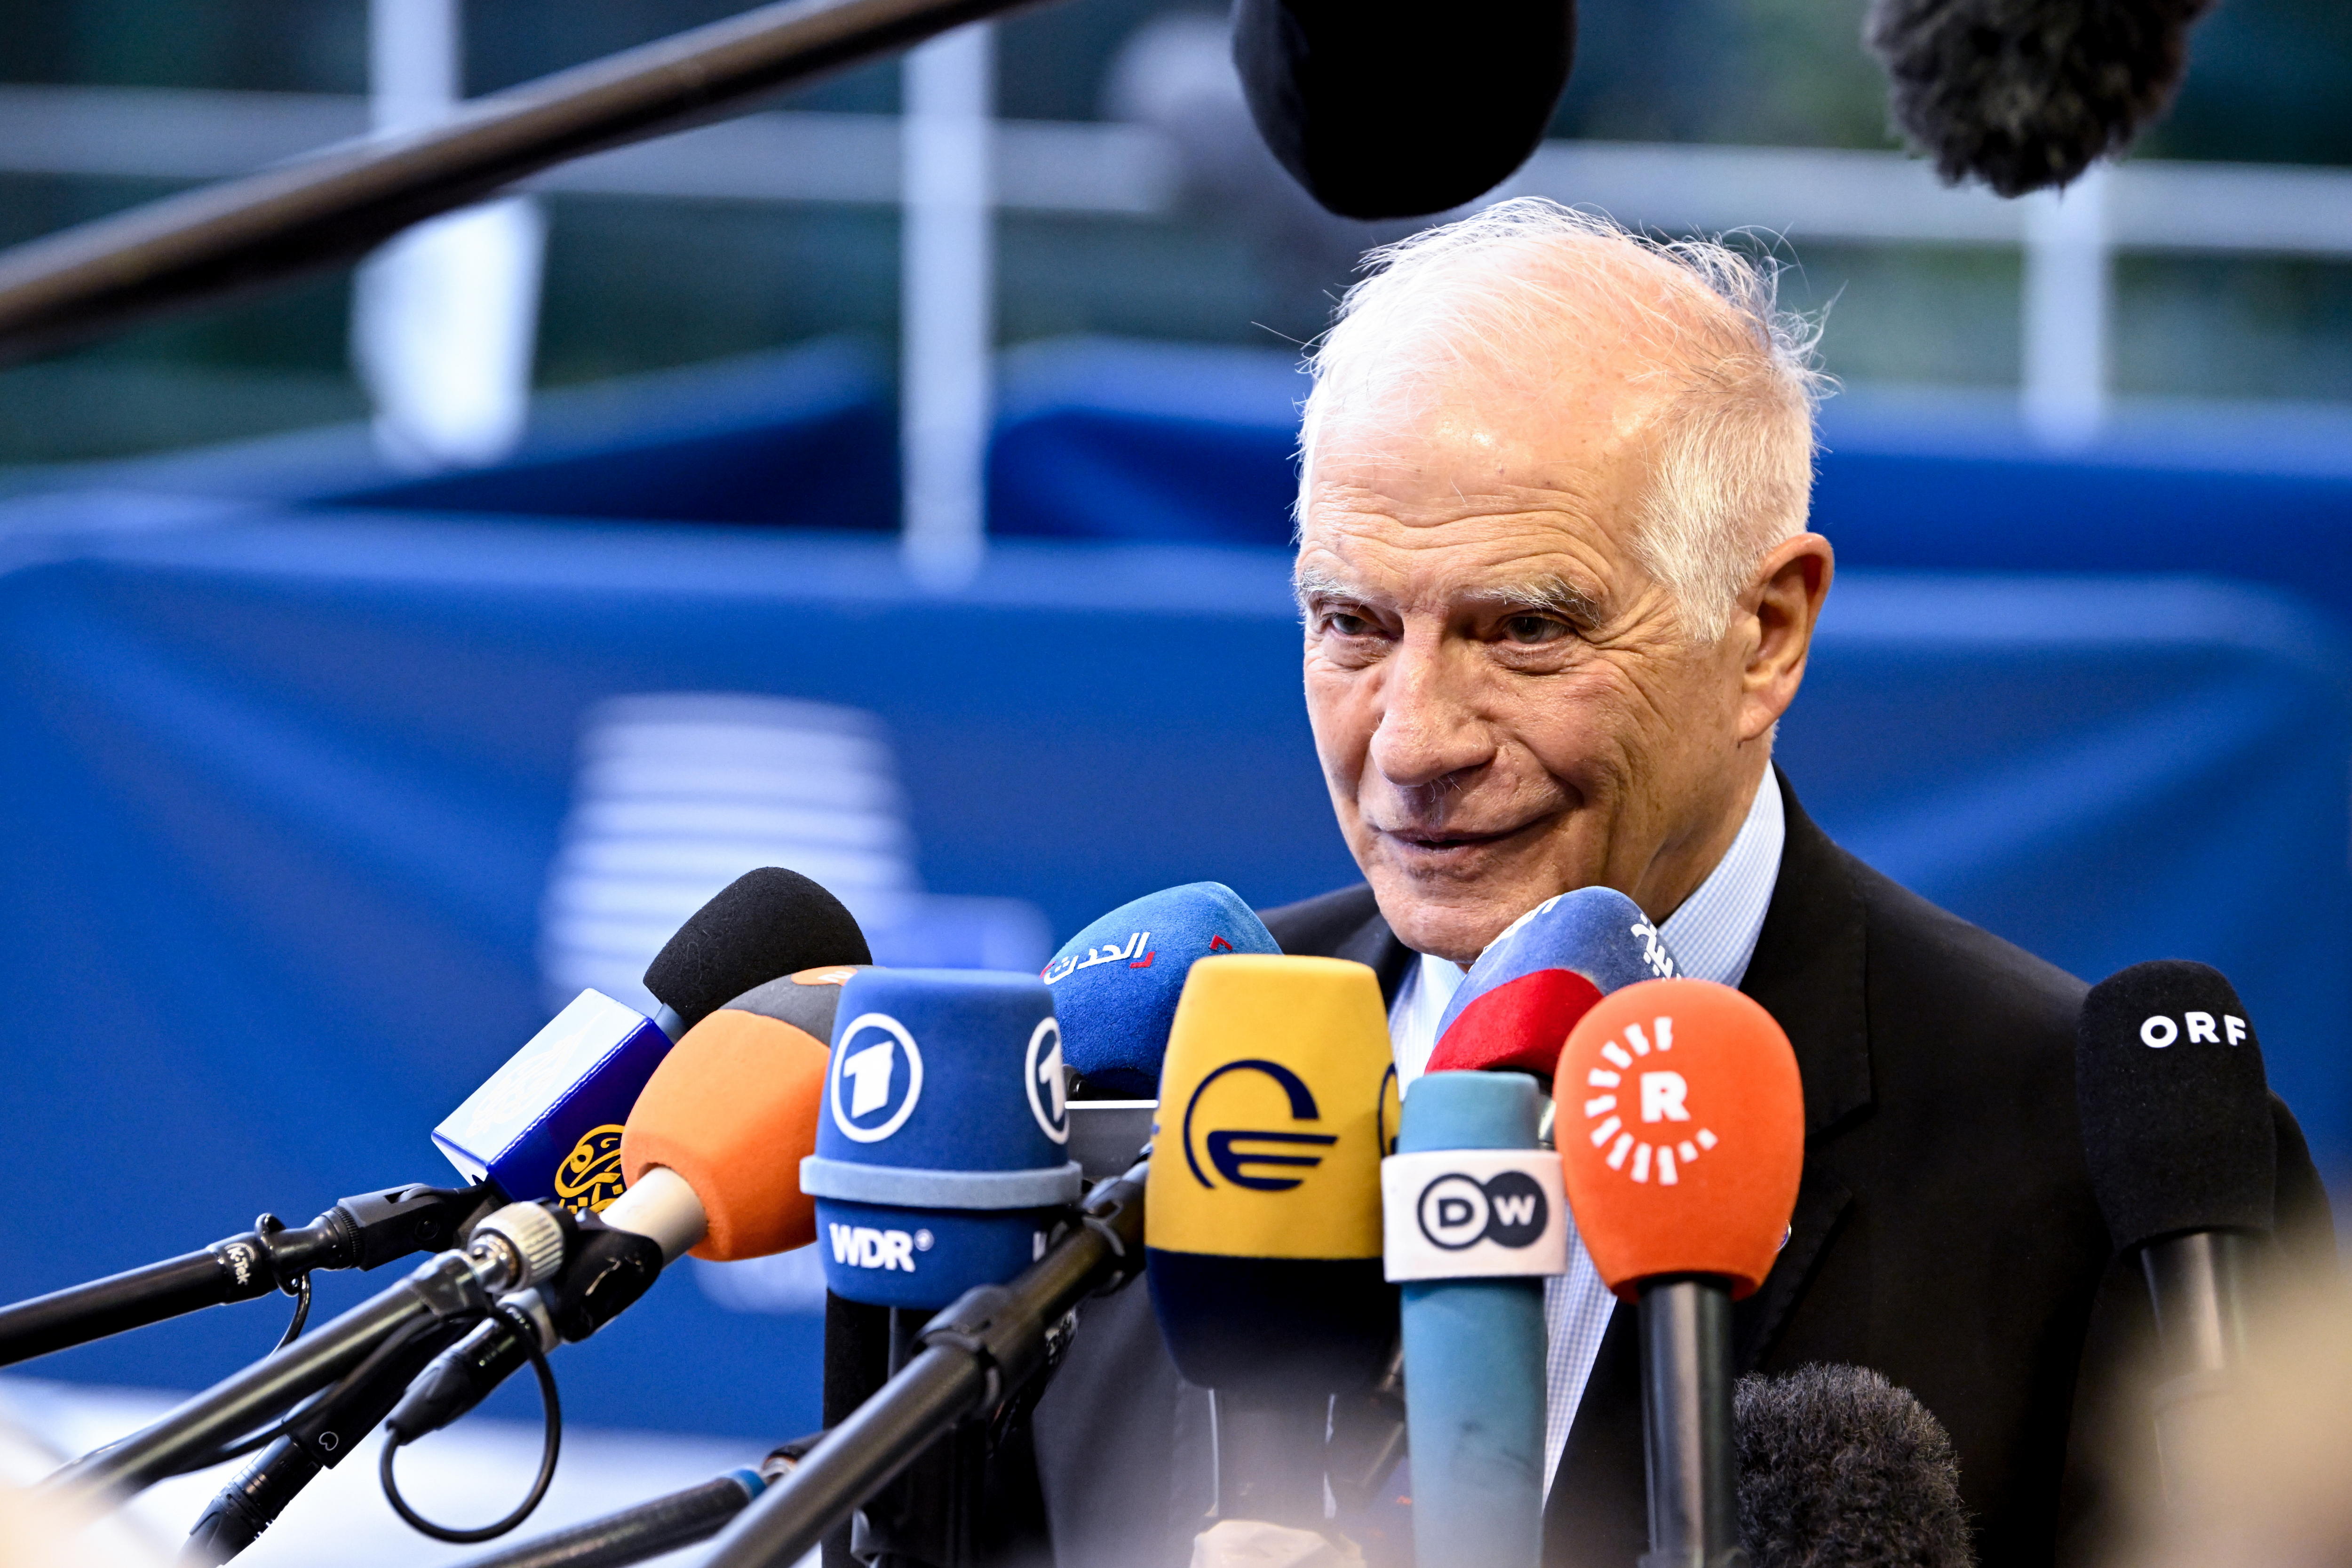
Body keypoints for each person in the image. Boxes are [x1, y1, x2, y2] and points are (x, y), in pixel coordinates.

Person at [1017, 199, 2335, 1568]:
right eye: (1352, 624)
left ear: (1766, 633)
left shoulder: (2090, 1176)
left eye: (1524, 630)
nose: (1410, 743)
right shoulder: (1140, 1095)